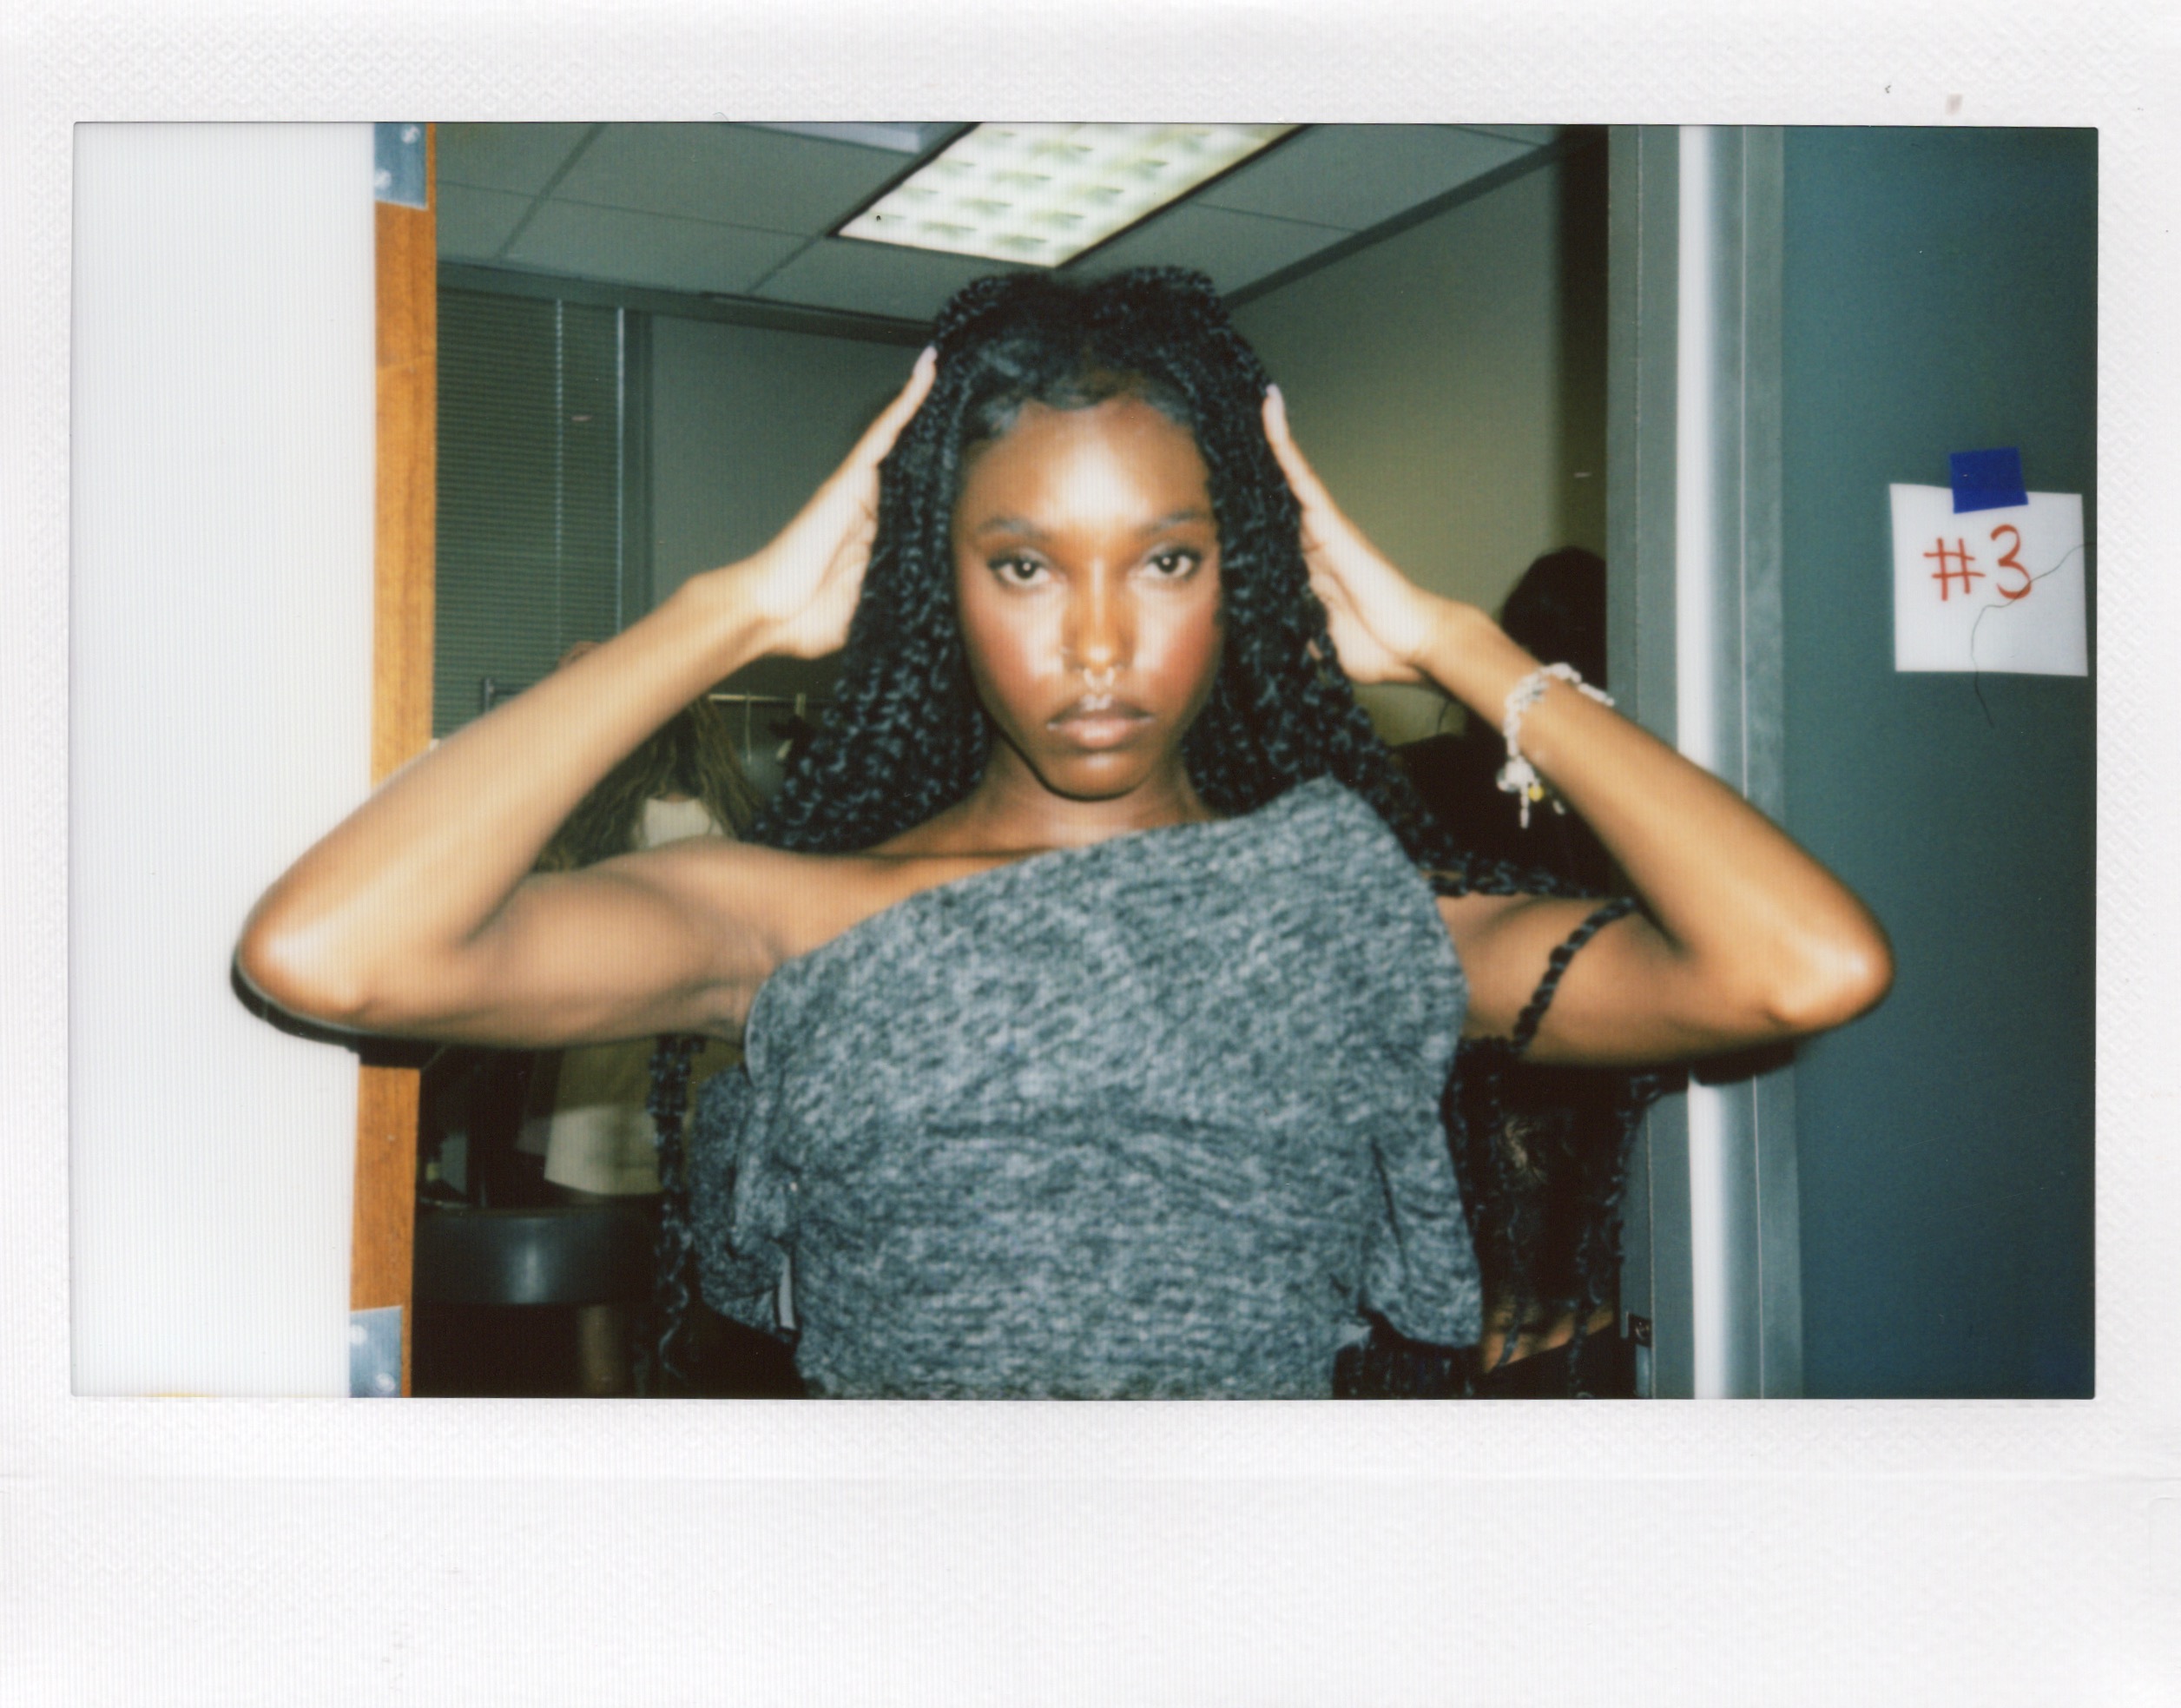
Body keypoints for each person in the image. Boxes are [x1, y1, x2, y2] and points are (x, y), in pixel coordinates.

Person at [237, 268, 1891, 1400]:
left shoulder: (1339, 909)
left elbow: (1798, 964)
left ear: (1242, 579)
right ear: (931, 589)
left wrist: (1465, 645)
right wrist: (721, 615)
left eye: (1166, 562)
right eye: (1024, 565)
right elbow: (336, 952)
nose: (1098, 647)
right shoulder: (788, 917)